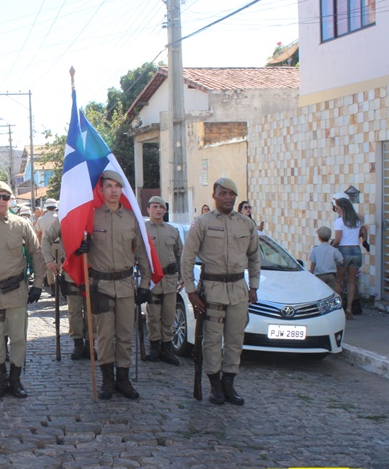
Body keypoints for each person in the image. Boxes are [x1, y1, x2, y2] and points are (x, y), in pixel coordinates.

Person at [181, 177, 260, 407]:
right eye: (223, 193)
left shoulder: (246, 224)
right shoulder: (202, 223)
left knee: (235, 339)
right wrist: (191, 291)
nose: (227, 197)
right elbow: (187, 258)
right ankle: (214, 384)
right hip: (212, 289)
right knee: (212, 340)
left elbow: (254, 256)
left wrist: (254, 286)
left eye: (231, 194)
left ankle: (228, 383)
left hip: (238, 289)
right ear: (214, 196)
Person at [76, 170, 151, 400]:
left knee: (125, 334)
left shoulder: (131, 218)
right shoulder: (91, 217)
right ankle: (107, 380)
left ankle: (123, 379)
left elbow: (142, 253)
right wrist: (80, 248)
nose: (114, 190)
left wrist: (145, 283)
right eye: (109, 186)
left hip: (126, 285)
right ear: (101, 190)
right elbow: (75, 246)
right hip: (101, 286)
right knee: (105, 336)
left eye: (117, 186)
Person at [0, 181, 47, 401]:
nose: (1, 201)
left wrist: (38, 284)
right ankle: (0, 380)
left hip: (16, 293)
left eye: (6, 197)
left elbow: (36, 253)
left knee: (18, 339)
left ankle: (15, 380)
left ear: (10, 200)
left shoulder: (21, 224)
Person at [41, 210, 90, 360]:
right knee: (74, 311)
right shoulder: (63, 217)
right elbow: (46, 238)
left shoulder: (94, 213)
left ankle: (90, 344)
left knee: (92, 311)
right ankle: (78, 343)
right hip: (72, 271)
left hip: (93, 270)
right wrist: (49, 260)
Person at [145, 196, 183, 365]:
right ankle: (154, 348)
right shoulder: (143, 229)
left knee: (168, 315)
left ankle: (166, 349)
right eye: (155, 207)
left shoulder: (172, 230)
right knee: (153, 316)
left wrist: (182, 276)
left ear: (165, 210)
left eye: (161, 207)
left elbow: (180, 253)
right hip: (152, 280)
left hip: (169, 280)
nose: (158, 210)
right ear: (148, 210)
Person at [332, 197, 367, 319]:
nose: (336, 210)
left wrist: (331, 248)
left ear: (342, 208)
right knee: (351, 281)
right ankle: (349, 309)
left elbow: (338, 239)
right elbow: (362, 231)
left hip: (344, 250)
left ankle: (337, 308)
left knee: (338, 281)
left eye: (337, 208)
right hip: (356, 250)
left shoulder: (339, 221)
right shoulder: (356, 220)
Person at [309, 225, 343, 293]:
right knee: (331, 293)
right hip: (331, 275)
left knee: (320, 293)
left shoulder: (316, 250)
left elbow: (313, 264)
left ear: (319, 237)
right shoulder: (334, 250)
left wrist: (311, 273)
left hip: (319, 276)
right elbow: (341, 261)